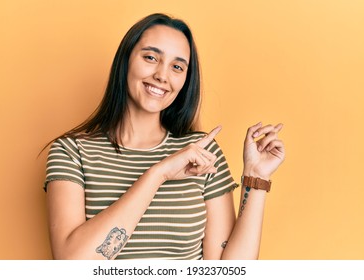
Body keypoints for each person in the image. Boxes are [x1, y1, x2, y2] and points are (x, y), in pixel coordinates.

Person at [44, 13, 285, 260]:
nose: (162, 75)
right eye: (150, 57)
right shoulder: (71, 151)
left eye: (177, 67)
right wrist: (159, 173)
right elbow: (72, 263)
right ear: (125, 61)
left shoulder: (202, 152)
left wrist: (256, 179)